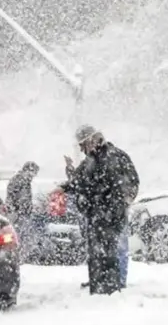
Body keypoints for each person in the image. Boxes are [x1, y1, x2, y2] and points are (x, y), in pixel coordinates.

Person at [55, 124, 139, 295]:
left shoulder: (113, 157)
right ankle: (100, 284)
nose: (82, 149)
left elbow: (127, 185)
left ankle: (113, 285)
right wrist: (64, 187)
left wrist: (117, 208)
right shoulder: (90, 162)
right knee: (98, 253)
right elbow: (80, 181)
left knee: (113, 251)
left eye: (83, 145)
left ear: (93, 140)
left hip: (110, 217)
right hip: (96, 216)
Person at [6, 161, 40, 260]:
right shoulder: (18, 180)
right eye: (33, 173)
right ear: (28, 170)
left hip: (23, 213)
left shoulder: (25, 181)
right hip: (18, 214)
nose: (34, 176)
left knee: (24, 236)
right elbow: (11, 197)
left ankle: (20, 256)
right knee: (19, 236)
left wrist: (31, 207)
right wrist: (13, 210)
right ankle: (17, 257)